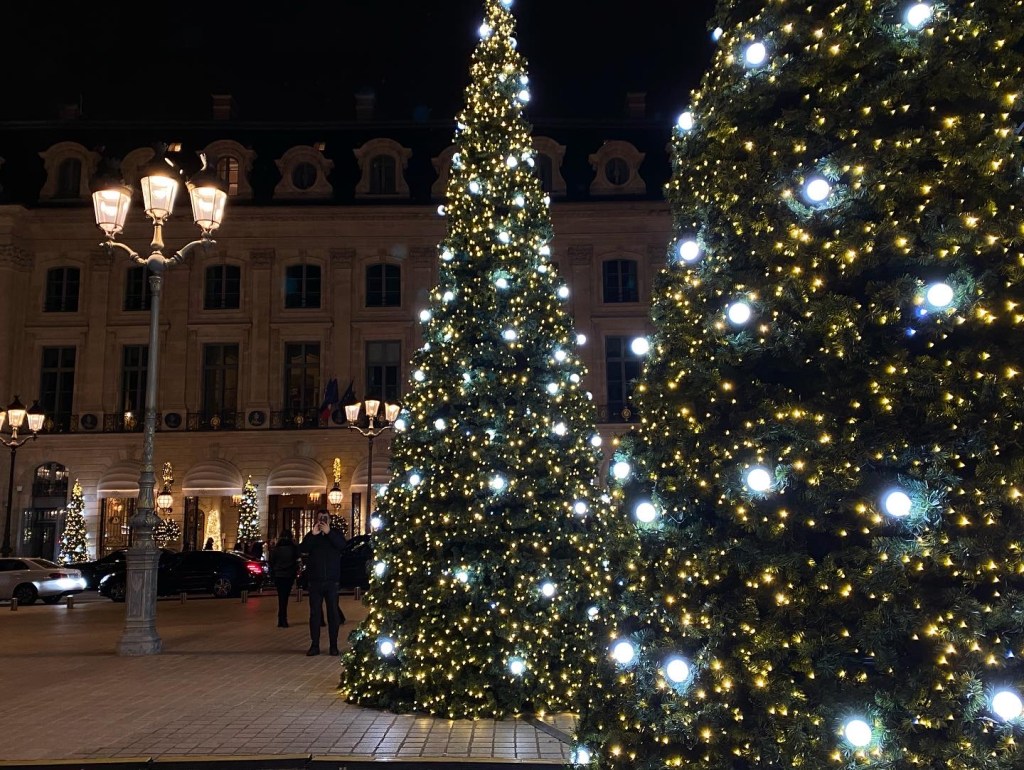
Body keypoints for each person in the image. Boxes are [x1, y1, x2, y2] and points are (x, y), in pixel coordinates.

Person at [299, 510, 346, 656]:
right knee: (315, 615)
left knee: (333, 614)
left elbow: (342, 546)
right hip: (315, 581)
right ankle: (315, 645)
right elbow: (302, 549)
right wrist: (313, 534)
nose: (322, 521)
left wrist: (329, 532)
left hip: (332, 581)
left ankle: (333, 645)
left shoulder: (335, 533)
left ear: (330, 520)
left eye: (325, 518)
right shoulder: (313, 535)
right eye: (320, 519)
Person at [268, 529, 300, 628]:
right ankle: (283, 619)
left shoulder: (276, 549)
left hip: (279, 575)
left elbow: (272, 562)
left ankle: (281, 618)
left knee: (281, 597)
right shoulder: (293, 548)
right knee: (285, 597)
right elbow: (297, 561)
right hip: (288, 575)